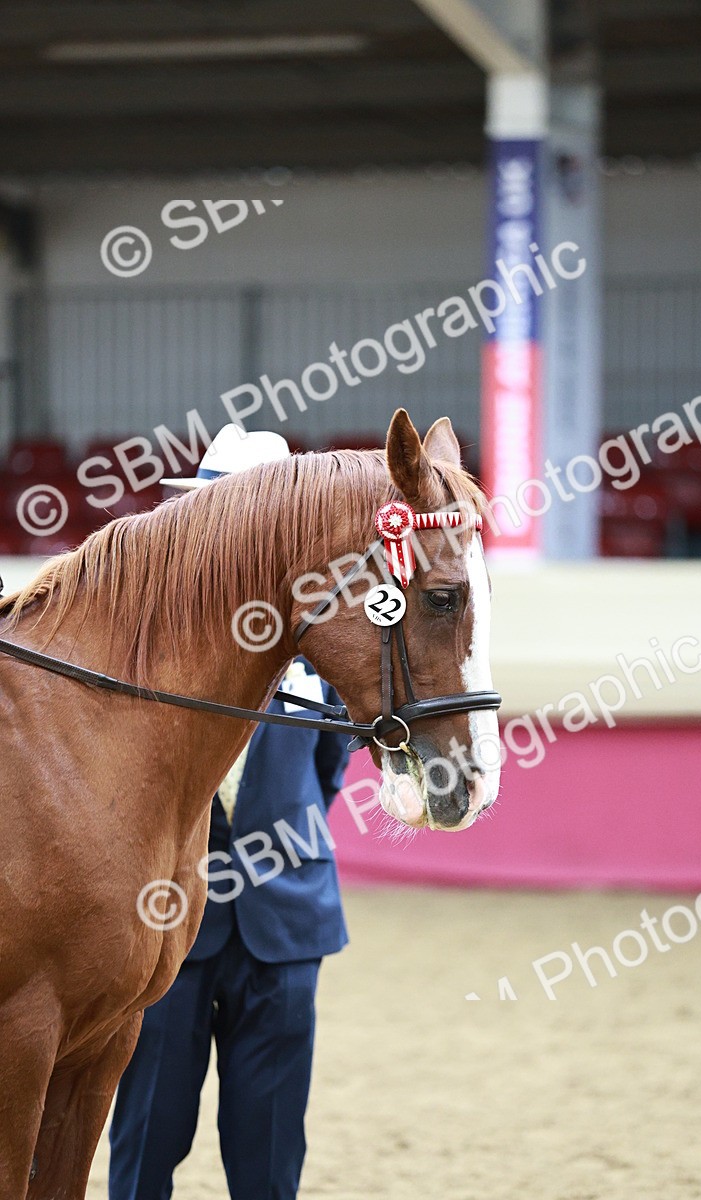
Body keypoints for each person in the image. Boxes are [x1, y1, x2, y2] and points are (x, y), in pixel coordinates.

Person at [108, 428, 350, 1200]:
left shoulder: (322, 649)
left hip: (286, 922)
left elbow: (330, 765)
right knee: (145, 1144)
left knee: (270, 1158)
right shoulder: (145, 642)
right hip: (164, 921)